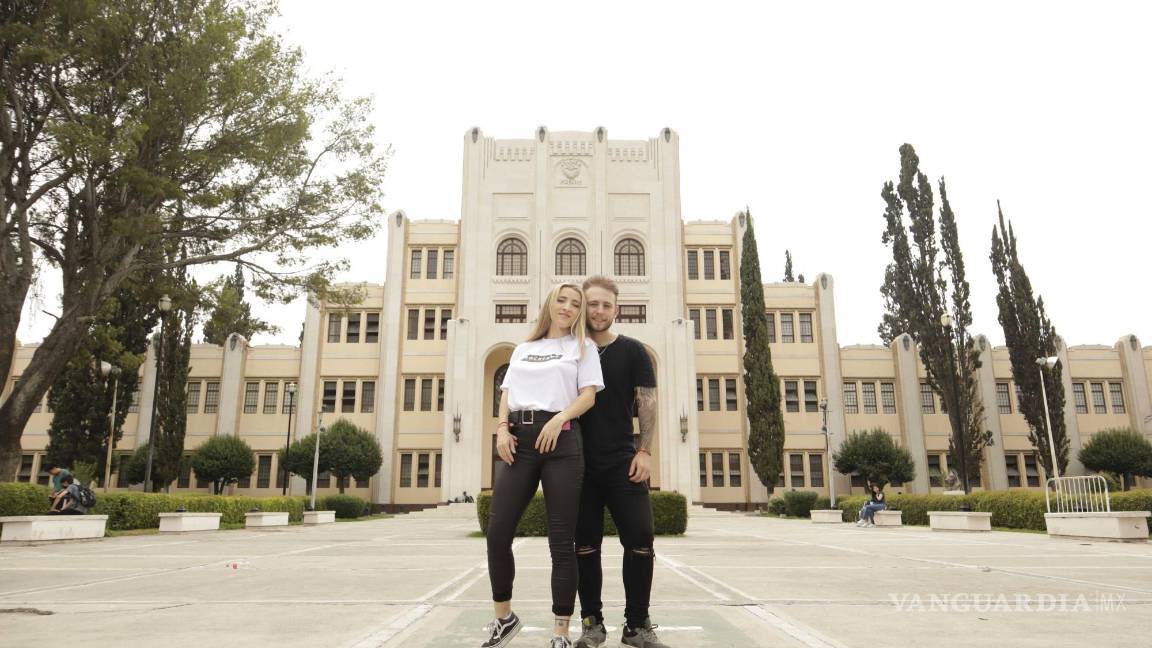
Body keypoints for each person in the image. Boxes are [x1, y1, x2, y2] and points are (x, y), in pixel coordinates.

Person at [483, 283, 604, 648]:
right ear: (549, 304)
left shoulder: (582, 347)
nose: (567, 307)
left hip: (562, 441)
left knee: (560, 541)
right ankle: (504, 618)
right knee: (497, 533)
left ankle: (560, 632)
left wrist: (559, 418)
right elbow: (506, 395)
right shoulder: (524, 348)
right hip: (519, 441)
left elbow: (588, 395)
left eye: (575, 303)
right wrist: (501, 429)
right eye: (562, 300)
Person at [574, 276, 670, 648]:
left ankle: (636, 625)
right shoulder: (570, 349)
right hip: (577, 464)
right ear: (584, 306)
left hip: (622, 461)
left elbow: (647, 402)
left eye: (606, 305)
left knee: (641, 540)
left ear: (617, 309)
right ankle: (592, 623)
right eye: (593, 304)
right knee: (585, 545)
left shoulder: (633, 351)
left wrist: (644, 451)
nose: (599, 311)